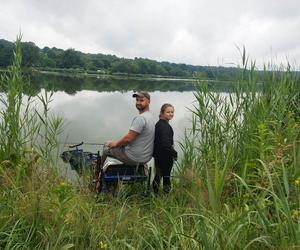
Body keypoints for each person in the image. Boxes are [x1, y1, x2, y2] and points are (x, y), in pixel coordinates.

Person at [100, 91, 155, 169]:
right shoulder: (151, 117)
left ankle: (99, 171)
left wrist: (116, 144)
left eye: (141, 100)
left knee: (106, 147)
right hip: (146, 158)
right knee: (111, 143)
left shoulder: (141, 118)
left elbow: (128, 139)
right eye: (137, 100)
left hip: (135, 158)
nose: (138, 102)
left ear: (149, 102)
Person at [152, 103, 177, 194]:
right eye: (168, 112)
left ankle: (154, 195)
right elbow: (166, 145)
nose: (171, 114)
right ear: (162, 113)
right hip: (165, 157)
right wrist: (174, 153)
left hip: (158, 155)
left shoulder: (159, 124)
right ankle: (166, 197)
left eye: (172, 112)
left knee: (158, 176)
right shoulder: (164, 127)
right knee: (166, 178)